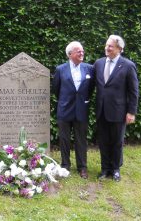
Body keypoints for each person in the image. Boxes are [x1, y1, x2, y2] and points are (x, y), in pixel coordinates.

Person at [94, 35, 139, 182]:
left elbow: (133, 91)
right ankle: (105, 168)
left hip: (118, 111)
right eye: (106, 45)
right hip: (101, 110)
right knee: (103, 140)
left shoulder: (128, 65)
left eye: (110, 46)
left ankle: (115, 169)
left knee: (117, 141)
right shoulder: (99, 63)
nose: (107, 48)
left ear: (119, 49)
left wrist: (131, 112)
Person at [52, 41, 94, 179]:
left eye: (82, 51)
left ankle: (82, 167)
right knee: (64, 139)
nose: (82, 53)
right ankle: (65, 165)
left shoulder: (89, 68)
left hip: (81, 109)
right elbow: (56, 89)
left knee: (81, 139)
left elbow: (91, 89)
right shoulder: (60, 69)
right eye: (78, 51)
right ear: (70, 54)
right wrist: (65, 100)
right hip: (64, 109)